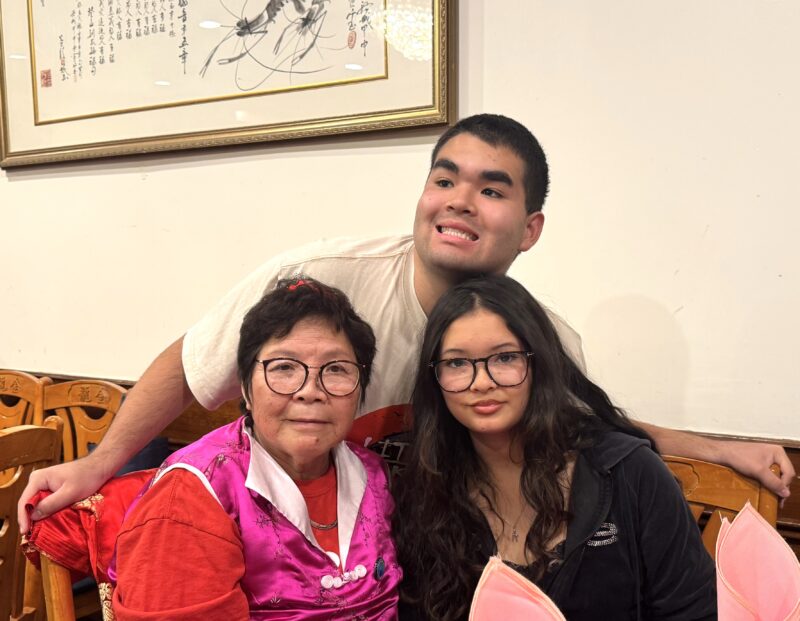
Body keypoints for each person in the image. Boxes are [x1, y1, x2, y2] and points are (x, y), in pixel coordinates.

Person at [19, 113, 794, 532]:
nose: (459, 200)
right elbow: (193, 363)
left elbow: (598, 426)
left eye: (492, 189)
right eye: (444, 178)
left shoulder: (543, 339)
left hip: (400, 558)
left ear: (530, 229)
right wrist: (101, 461)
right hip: (269, 537)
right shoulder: (325, 277)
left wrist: (722, 449)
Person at [394, 275, 716, 621]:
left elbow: (694, 612)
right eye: (457, 363)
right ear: (435, 378)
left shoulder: (629, 471)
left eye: (505, 358)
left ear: (539, 363)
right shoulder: (424, 490)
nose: (482, 382)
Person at [112, 277, 400, 619]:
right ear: (246, 389)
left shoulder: (372, 473)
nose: (310, 391)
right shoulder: (192, 496)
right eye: (284, 367)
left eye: (336, 369)